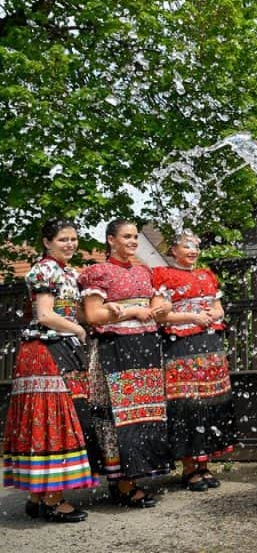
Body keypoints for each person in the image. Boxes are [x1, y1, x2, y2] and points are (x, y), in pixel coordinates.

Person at [3, 219, 98, 522]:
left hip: (59, 349)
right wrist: (79, 330)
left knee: (48, 419)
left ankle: (36, 497)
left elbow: (75, 310)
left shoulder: (70, 272)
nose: (70, 244)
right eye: (63, 240)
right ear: (47, 242)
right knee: (54, 418)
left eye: (73, 239)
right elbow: (45, 316)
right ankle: (54, 500)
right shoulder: (44, 270)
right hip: (45, 351)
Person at [79, 219, 173, 508]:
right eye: (127, 237)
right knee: (119, 415)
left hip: (145, 347)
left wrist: (163, 307)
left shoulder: (146, 272)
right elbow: (93, 316)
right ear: (111, 240)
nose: (133, 241)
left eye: (135, 237)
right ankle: (122, 484)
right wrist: (132, 310)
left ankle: (135, 478)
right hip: (115, 349)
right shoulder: (98, 272)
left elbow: (160, 308)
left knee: (144, 413)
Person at [151, 232, 237, 492]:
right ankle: (189, 468)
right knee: (188, 405)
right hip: (181, 346)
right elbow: (159, 313)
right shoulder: (162, 275)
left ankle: (204, 464)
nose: (193, 250)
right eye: (187, 245)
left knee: (211, 402)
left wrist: (214, 312)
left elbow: (219, 308)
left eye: (196, 246)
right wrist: (192, 315)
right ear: (173, 249)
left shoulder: (206, 275)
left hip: (209, 345)